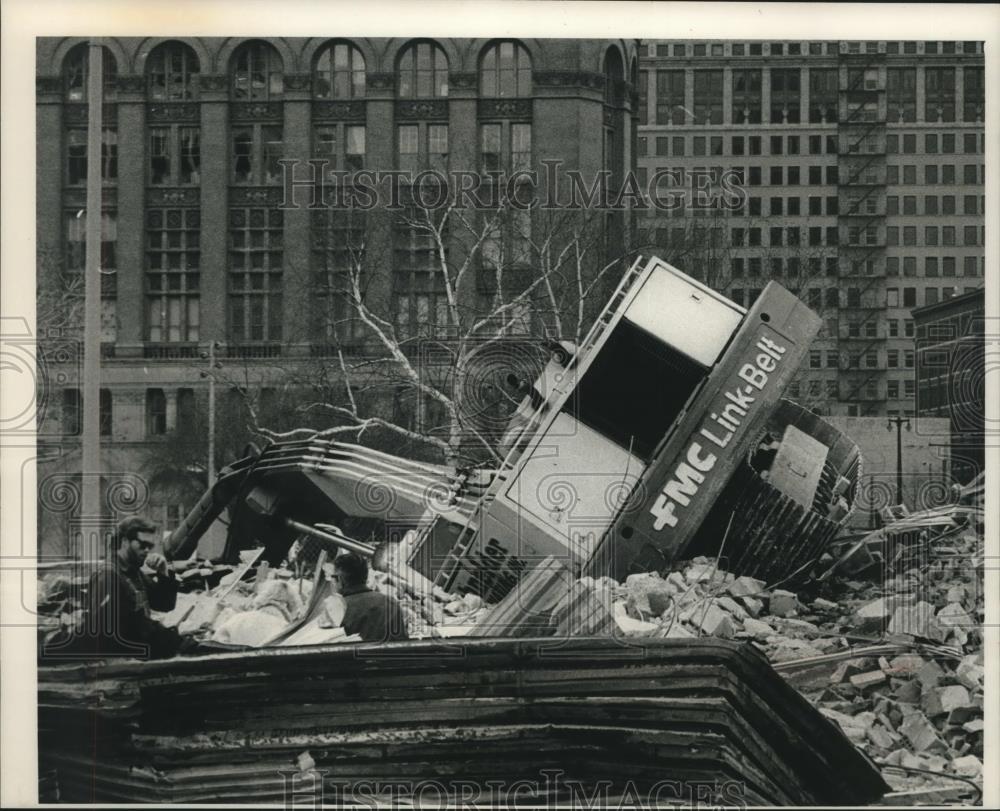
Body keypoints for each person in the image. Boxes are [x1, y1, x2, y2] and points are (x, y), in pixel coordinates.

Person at [80, 516, 184, 659]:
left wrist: (163, 573)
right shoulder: (108, 575)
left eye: (150, 546)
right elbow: (103, 633)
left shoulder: (133, 572)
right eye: (142, 545)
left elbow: (164, 604)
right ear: (124, 541)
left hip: (137, 654)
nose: (147, 550)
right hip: (120, 663)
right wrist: (161, 637)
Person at [332, 552, 409, 643]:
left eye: (333, 577)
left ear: (339, 579)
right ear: (365, 575)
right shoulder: (389, 602)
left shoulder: (335, 609)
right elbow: (402, 642)